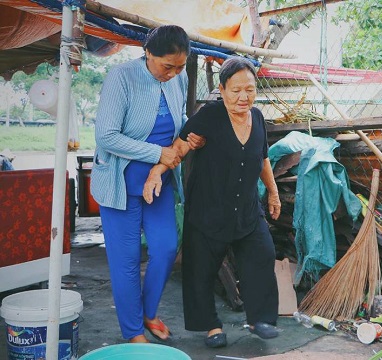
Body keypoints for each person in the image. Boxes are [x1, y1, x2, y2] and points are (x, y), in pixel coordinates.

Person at [143, 57, 282, 348]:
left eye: (250, 89)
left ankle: (261, 319)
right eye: (236, 90)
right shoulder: (210, 116)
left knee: (262, 254)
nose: (244, 97)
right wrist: (157, 172)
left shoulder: (257, 118)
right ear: (221, 89)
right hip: (209, 206)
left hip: (245, 207)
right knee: (200, 268)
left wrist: (273, 192)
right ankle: (210, 327)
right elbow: (178, 148)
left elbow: (263, 158)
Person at [90, 25, 204, 344]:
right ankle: (133, 331)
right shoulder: (122, 77)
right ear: (148, 54)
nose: (174, 73)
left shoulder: (179, 77)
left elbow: (179, 122)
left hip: (160, 180)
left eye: (180, 66)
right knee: (126, 262)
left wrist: (186, 137)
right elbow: (107, 137)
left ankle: (148, 312)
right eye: (168, 65)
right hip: (119, 183)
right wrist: (159, 152)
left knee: (166, 248)